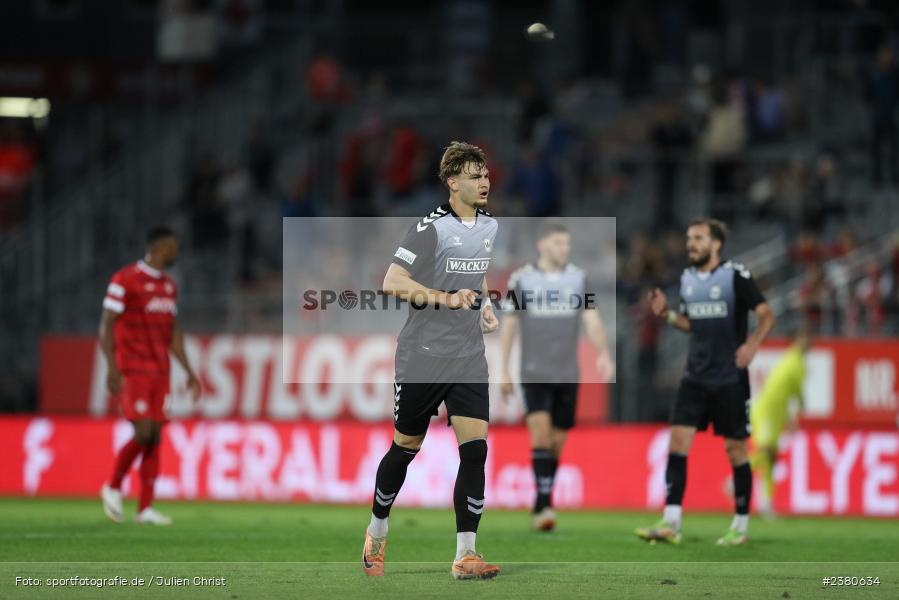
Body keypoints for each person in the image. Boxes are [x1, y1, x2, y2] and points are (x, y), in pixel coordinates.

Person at [361, 142, 501, 579]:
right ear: (452, 182)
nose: (484, 182)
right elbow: (391, 281)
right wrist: (446, 298)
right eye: (474, 175)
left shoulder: (490, 226)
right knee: (406, 446)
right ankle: (377, 531)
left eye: (486, 174)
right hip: (422, 357)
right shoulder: (430, 229)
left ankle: (465, 556)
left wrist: (483, 303)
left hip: (467, 357)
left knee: (475, 451)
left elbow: (474, 273)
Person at [636, 218, 775, 545]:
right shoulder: (687, 279)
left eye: (698, 238)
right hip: (694, 377)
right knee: (677, 444)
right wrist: (667, 315)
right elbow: (692, 323)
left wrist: (753, 344)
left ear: (716, 244)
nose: (691, 244)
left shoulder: (735, 275)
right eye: (689, 239)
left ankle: (740, 526)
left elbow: (766, 313)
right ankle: (671, 522)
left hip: (729, 377)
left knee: (736, 448)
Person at [499, 220, 614, 531]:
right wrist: (503, 368)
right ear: (542, 245)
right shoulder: (522, 280)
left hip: (567, 372)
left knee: (557, 441)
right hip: (534, 371)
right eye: (558, 243)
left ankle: (542, 495)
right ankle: (545, 505)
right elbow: (509, 325)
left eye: (567, 244)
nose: (565, 249)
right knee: (540, 434)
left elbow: (591, 319)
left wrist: (603, 352)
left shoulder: (578, 279)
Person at [99, 227, 201, 525]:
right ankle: (113, 486)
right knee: (143, 431)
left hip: (160, 371)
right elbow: (106, 324)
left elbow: (173, 333)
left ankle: (145, 508)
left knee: (155, 434)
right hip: (133, 368)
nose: (177, 253)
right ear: (161, 248)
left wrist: (189, 372)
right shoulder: (125, 279)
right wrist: (111, 366)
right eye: (174, 248)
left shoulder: (169, 287)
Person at [750, 330, 809, 516]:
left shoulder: (794, 361)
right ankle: (737, 480)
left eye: (807, 339)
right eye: (802, 338)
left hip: (776, 413)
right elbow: (796, 392)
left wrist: (790, 415)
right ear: (794, 341)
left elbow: (790, 391)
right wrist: (798, 409)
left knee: (770, 457)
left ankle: (766, 502)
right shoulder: (795, 362)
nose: (806, 342)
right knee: (766, 451)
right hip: (767, 410)